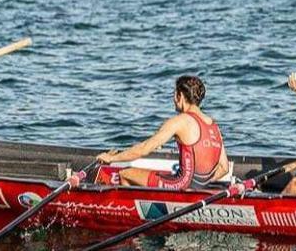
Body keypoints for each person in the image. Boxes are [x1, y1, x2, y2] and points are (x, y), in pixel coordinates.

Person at [95, 76, 230, 189]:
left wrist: (111, 158)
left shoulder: (179, 121)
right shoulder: (213, 124)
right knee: (162, 174)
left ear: (180, 96)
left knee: (126, 174)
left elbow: (144, 149)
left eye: (174, 93)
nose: (173, 98)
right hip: (200, 186)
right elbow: (224, 168)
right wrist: (199, 184)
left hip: (181, 184)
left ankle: (134, 215)